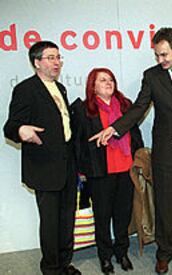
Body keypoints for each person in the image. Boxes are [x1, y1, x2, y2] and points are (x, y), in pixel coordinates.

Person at [89, 27, 172, 274]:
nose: (160, 60)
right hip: (165, 149)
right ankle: (165, 253)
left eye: (165, 54)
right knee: (165, 203)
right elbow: (139, 108)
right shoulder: (152, 76)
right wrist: (115, 128)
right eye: (157, 55)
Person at [3, 41, 81, 275]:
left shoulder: (60, 88)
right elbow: (10, 127)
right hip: (44, 168)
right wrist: (21, 131)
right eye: (50, 58)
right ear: (37, 62)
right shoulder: (26, 89)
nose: (57, 62)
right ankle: (51, 269)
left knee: (67, 220)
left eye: (58, 57)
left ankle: (64, 264)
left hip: (67, 165)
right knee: (50, 223)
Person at [71, 68, 144, 274]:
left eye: (111, 79)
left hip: (125, 169)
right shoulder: (84, 109)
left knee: (123, 214)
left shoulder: (125, 106)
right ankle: (105, 257)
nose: (108, 83)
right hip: (100, 172)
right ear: (92, 86)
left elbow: (135, 134)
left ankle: (122, 252)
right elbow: (78, 142)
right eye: (102, 80)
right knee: (102, 217)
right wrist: (81, 170)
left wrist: (138, 157)